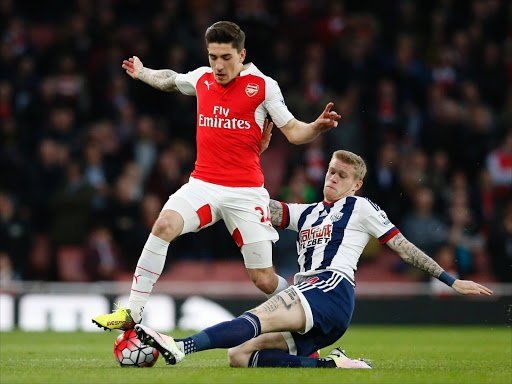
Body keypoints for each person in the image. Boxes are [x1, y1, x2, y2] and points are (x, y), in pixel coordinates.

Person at [132, 150, 493, 368]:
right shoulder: (306, 213)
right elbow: (262, 207)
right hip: (313, 300)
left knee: (256, 317)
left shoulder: (360, 207)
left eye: (342, 175)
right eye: (331, 171)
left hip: (331, 289)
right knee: (239, 357)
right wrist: (222, 187)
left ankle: (180, 347)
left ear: (356, 185)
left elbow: (402, 246)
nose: (333, 178)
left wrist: (450, 280)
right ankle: (332, 366)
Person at [92, 21, 341, 330]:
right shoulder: (203, 78)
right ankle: (133, 311)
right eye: (213, 57)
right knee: (164, 224)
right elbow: (171, 80)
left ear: (242, 54)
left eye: (225, 57)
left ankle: (311, 313)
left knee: (263, 280)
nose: (218, 65)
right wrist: (143, 73)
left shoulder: (263, 86)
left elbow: (292, 131)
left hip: (246, 192)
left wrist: (315, 126)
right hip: (203, 185)